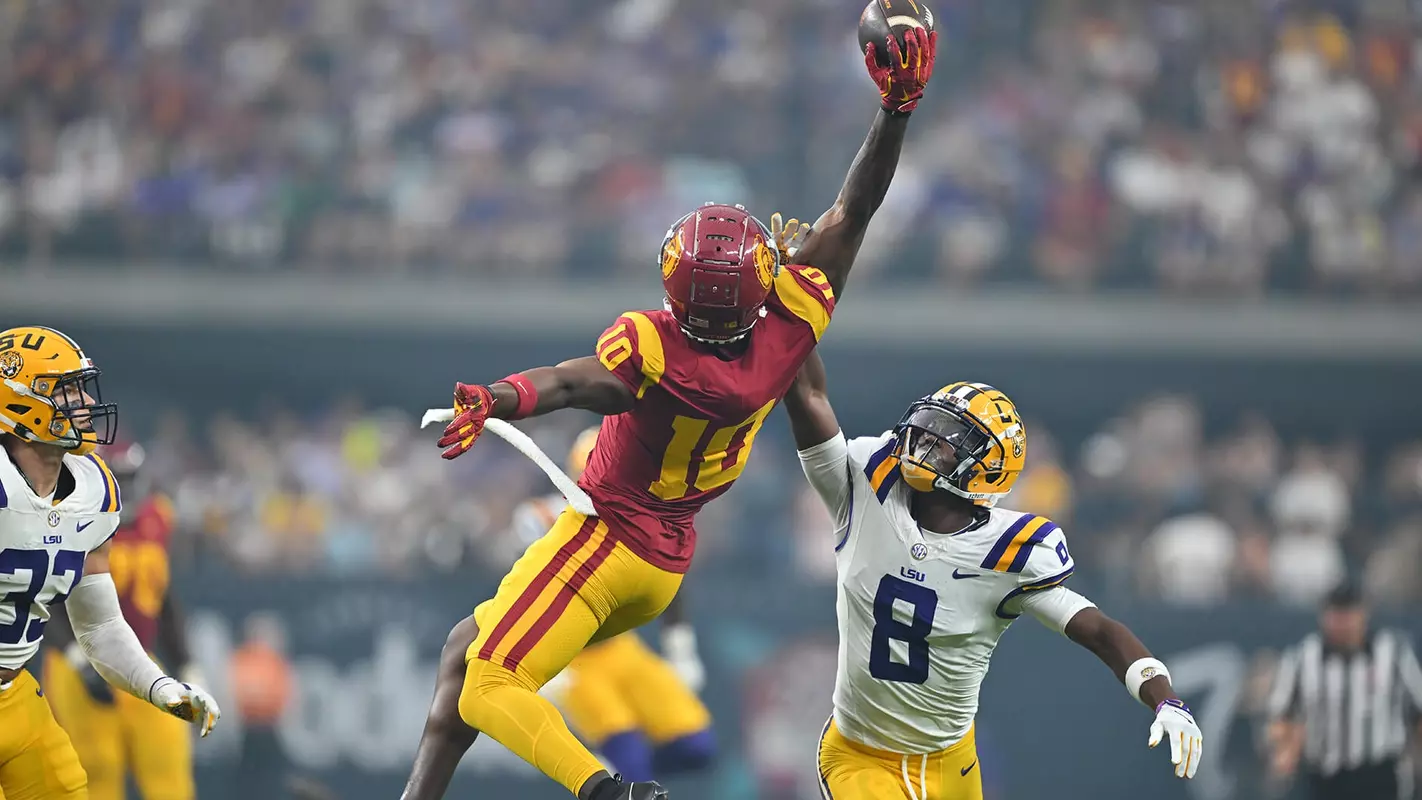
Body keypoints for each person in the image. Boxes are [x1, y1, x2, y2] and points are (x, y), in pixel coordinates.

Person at [400, 25, 939, 800]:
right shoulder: (792, 323)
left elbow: (567, 384)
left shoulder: (652, 349)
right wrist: (897, 109)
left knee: (484, 681)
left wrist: (495, 398)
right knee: (464, 649)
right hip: (669, 555)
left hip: (607, 539)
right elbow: (856, 209)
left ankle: (606, 791)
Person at [782, 351, 1203, 799]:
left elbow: (1098, 629)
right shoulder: (865, 486)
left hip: (950, 762)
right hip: (860, 753)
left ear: (989, 467)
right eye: (930, 427)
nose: (926, 440)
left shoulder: (1010, 553)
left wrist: (1165, 698)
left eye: (948, 439)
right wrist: (793, 313)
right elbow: (809, 395)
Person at [0, 326, 220, 800]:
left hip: (13, 694)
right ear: (21, 401)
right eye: (67, 390)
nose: (83, 402)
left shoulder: (94, 488)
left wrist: (160, 687)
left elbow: (98, 626)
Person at [515, 428, 716, 784]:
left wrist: (680, 648)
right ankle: (623, 779)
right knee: (630, 758)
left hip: (621, 647)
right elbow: (523, 588)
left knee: (695, 746)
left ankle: (618, 781)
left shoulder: (648, 515)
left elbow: (668, 580)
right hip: (572, 657)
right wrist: (537, 661)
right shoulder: (543, 517)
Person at [44, 441, 205, 800]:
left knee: (169, 769)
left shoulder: (157, 518)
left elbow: (161, 595)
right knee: (97, 772)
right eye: (120, 478)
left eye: (132, 478)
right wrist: (75, 656)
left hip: (139, 658)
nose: (127, 490)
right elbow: (48, 594)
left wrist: (186, 663)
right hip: (83, 662)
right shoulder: (70, 515)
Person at [1267, 581, 1422, 800]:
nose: (1341, 624)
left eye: (1348, 615)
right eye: (1335, 615)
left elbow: (1417, 711)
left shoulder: (1394, 653)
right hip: (1325, 776)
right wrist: (1284, 748)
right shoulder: (1303, 658)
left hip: (1380, 774)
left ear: (1363, 614)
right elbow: (1283, 713)